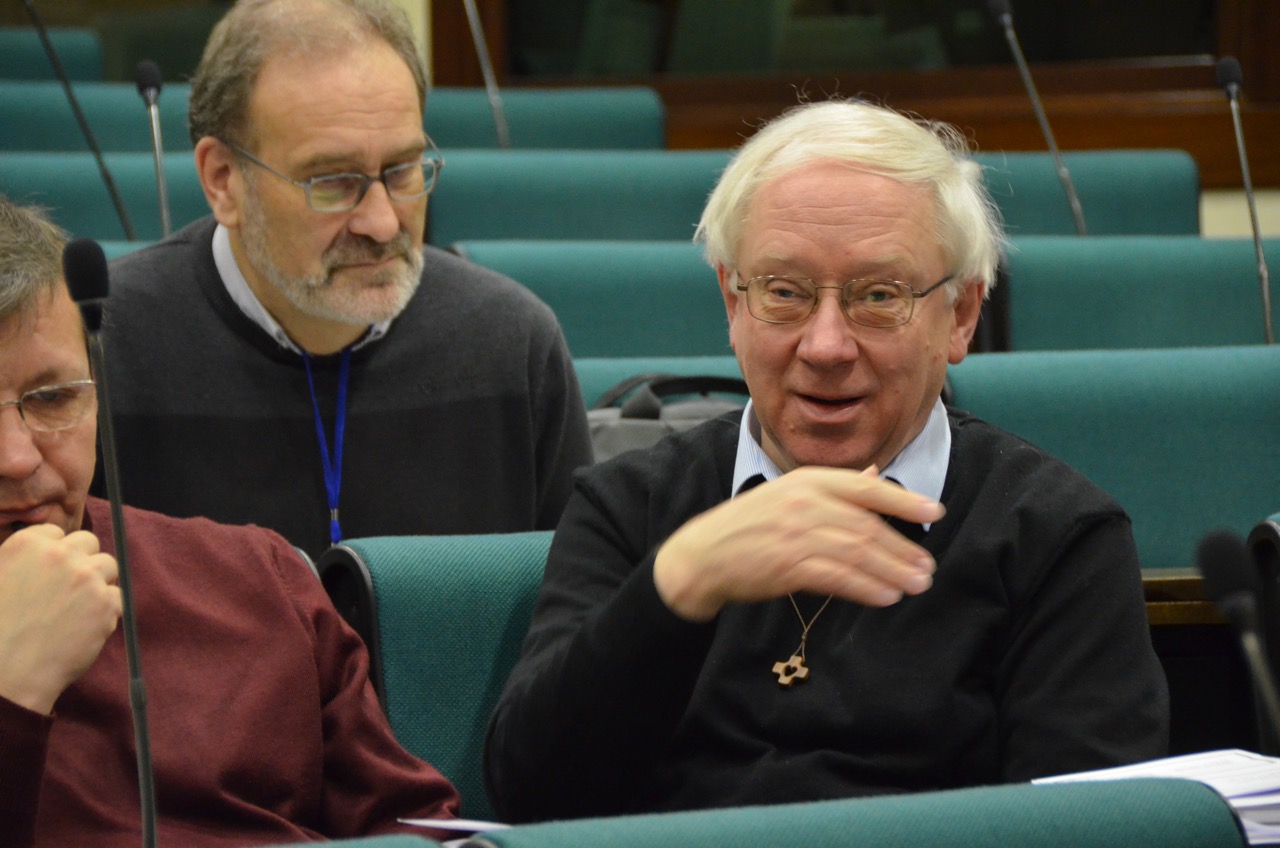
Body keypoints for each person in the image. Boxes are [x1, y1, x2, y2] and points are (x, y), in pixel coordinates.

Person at [484, 99, 1169, 822]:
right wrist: (679, 585)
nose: (826, 346)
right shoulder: (630, 505)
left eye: (879, 296)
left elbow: (1090, 831)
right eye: (785, 293)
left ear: (962, 315)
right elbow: (529, 797)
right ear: (732, 302)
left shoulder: (1058, 536)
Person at [0, 195, 461, 845]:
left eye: (52, 398)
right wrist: (12, 689)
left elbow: (417, 826)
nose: (18, 458)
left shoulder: (256, 580)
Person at [100, 0, 592, 558]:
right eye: (333, 182)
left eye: (402, 171)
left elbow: (577, 600)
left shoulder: (513, 345)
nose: (382, 224)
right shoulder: (106, 348)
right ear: (223, 180)